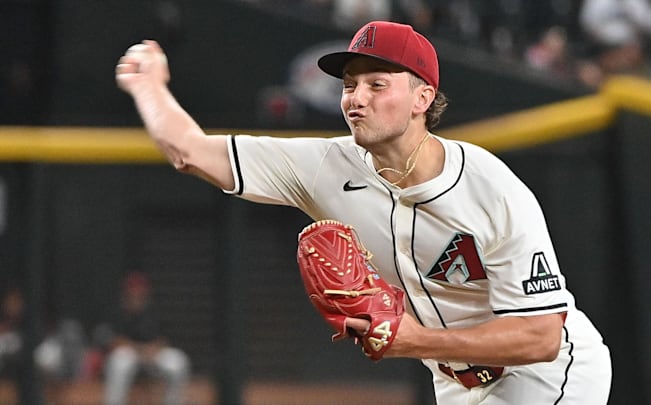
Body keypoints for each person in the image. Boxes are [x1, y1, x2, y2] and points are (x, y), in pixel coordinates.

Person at [115, 20, 612, 404]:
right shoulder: (326, 166)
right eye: (350, 86)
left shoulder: (490, 189)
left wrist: (414, 340)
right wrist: (148, 88)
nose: (356, 100)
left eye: (377, 85)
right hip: (459, 384)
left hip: (551, 376)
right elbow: (191, 152)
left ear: (423, 97)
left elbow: (541, 336)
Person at [101, 272, 190, 405]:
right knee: (118, 361)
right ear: (126, 294)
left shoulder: (154, 311)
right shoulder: (116, 311)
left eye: (140, 293)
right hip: (130, 355)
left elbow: (164, 339)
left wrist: (154, 349)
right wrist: (139, 349)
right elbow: (113, 341)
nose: (136, 296)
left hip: (152, 356)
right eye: (133, 293)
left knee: (178, 361)